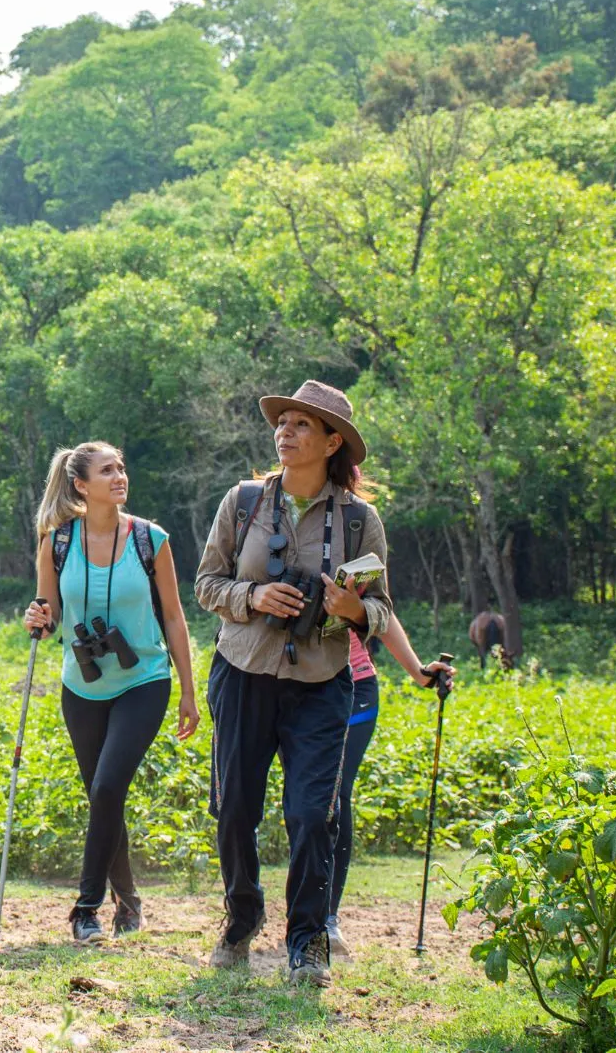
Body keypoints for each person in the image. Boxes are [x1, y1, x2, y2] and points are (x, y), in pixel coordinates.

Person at [193, 380, 452, 987]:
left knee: (314, 814)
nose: (285, 431)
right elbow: (206, 584)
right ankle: (243, 915)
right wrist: (253, 594)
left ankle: (307, 943)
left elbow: (383, 608)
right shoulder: (243, 503)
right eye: (282, 422)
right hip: (243, 675)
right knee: (234, 810)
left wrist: (353, 609)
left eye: (302, 424)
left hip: (322, 682)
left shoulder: (361, 522)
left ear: (333, 441)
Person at [22, 441, 200, 943]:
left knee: (106, 788)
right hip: (82, 685)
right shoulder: (56, 542)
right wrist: (36, 617)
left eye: (122, 467)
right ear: (81, 484)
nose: (119, 476)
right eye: (107, 470)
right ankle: (130, 899)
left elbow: (173, 616)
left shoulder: (151, 539)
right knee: (103, 797)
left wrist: (188, 690)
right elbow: (48, 611)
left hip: (144, 679)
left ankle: (86, 908)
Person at [326, 614, 452, 958]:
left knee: (335, 794)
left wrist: (418, 672)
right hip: (295, 685)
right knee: (302, 797)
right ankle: (301, 903)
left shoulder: (364, 559)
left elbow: (381, 609)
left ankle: (327, 916)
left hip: (356, 684)